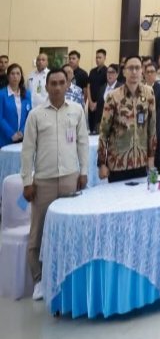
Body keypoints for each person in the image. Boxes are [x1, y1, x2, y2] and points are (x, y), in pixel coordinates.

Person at [21, 68, 89, 301]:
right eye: (53, 83)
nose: (58, 87)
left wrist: (84, 172)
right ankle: (39, 279)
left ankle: (66, 274)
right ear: (47, 86)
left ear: (67, 85)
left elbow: (82, 142)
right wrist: (27, 181)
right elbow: (27, 150)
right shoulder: (36, 115)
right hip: (43, 181)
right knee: (37, 232)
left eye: (62, 83)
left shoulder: (77, 110)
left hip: (70, 179)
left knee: (70, 229)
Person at [98, 56, 158, 182]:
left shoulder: (149, 94)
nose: (134, 72)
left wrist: (151, 157)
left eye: (137, 68)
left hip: (141, 162)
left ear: (142, 71)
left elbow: (152, 128)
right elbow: (104, 132)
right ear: (124, 71)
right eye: (130, 68)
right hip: (118, 163)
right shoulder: (113, 96)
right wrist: (102, 163)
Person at [143, 61, 160, 173]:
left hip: (156, 129)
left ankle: (157, 179)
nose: (149, 74)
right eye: (147, 72)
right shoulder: (140, 88)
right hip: (141, 130)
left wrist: (147, 121)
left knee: (156, 158)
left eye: (152, 72)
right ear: (144, 74)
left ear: (156, 73)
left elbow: (159, 110)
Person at [1, 64, 32, 144]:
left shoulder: (27, 94)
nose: (15, 76)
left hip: (23, 138)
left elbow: (29, 116)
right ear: (8, 76)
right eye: (12, 73)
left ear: (21, 76)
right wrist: (11, 134)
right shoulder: (2, 94)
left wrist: (22, 132)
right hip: (5, 138)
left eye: (18, 73)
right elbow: (0, 118)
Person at [87, 49, 109, 132]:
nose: (97, 59)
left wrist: (97, 103)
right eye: (96, 57)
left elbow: (107, 88)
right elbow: (88, 86)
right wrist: (90, 102)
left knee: (99, 128)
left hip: (101, 104)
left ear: (104, 58)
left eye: (100, 57)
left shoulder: (107, 72)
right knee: (91, 126)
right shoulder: (92, 71)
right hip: (91, 104)